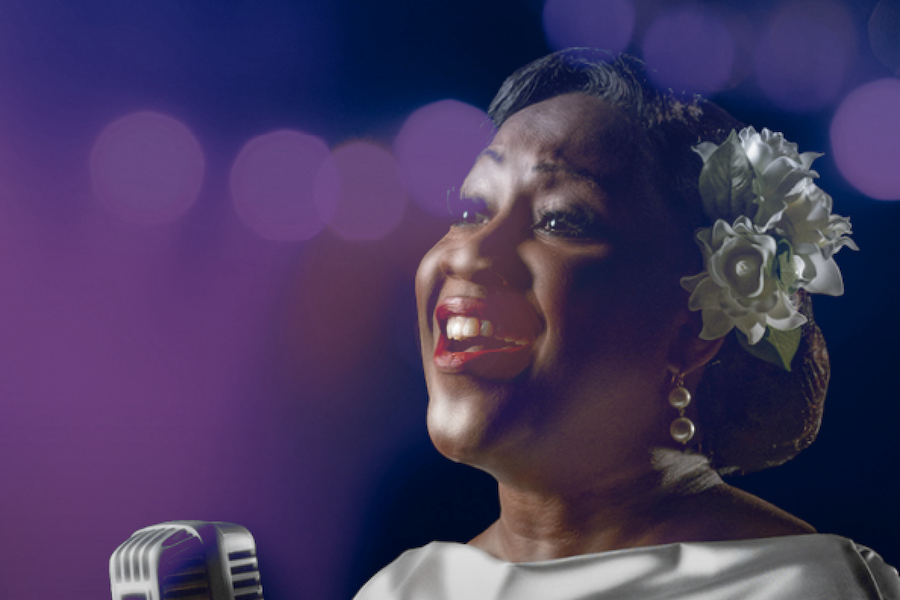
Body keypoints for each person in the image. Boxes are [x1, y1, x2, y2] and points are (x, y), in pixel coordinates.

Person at [354, 49, 898, 599]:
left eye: (559, 219)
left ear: (695, 332)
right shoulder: (403, 589)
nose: (468, 256)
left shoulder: (797, 589)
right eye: (472, 211)